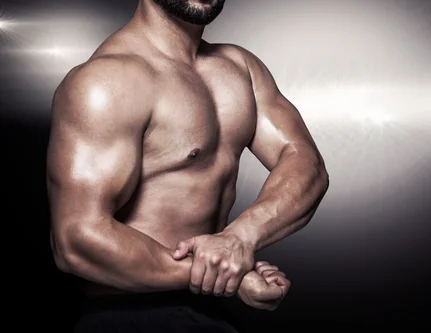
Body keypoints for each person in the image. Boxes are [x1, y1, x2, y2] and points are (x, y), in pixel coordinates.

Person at [45, 0, 329, 331]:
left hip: (211, 313)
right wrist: (227, 275)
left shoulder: (240, 69)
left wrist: (241, 236)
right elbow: (77, 240)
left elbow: (305, 162)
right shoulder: (107, 81)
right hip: (129, 315)